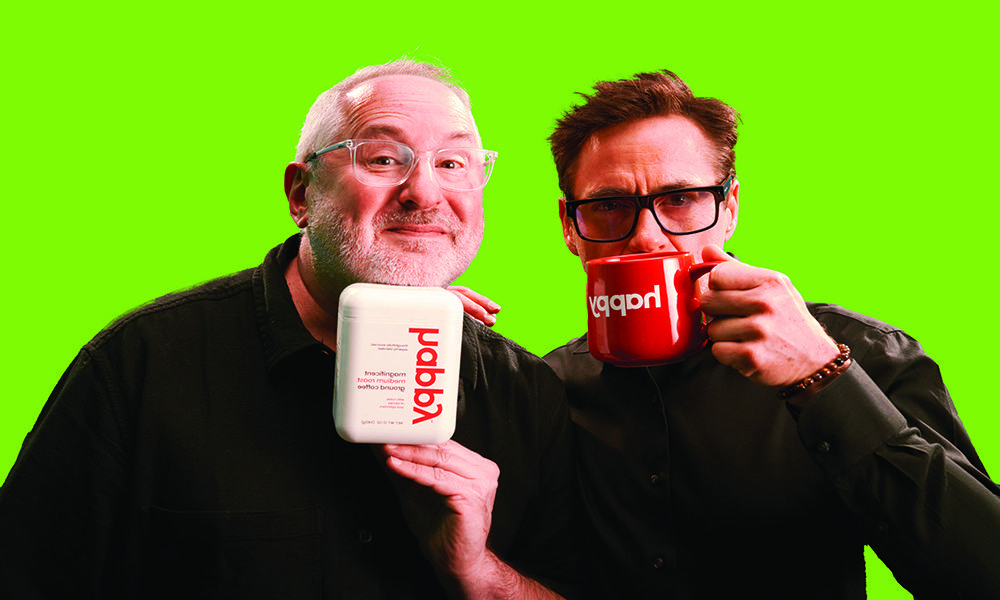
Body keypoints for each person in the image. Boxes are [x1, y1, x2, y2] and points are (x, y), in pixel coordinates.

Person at [0, 60, 578, 599]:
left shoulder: (527, 393)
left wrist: (479, 572)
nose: (425, 192)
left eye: (453, 163)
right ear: (302, 194)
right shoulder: (140, 366)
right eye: (382, 159)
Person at [540, 70, 1000, 598]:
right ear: (570, 227)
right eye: (608, 205)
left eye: (682, 199)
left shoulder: (864, 354)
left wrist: (824, 380)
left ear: (729, 206)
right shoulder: (541, 389)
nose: (647, 235)